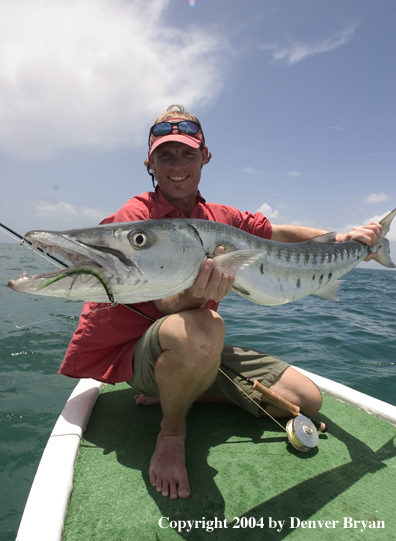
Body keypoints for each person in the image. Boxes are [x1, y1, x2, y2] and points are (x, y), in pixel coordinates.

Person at [59, 105, 382, 501]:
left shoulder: (219, 218)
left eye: (187, 153)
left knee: (306, 400)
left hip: (193, 349)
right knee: (203, 324)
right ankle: (172, 432)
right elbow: (165, 306)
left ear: (204, 157)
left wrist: (349, 242)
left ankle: (178, 387)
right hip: (146, 352)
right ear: (150, 163)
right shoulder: (137, 218)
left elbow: (278, 231)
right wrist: (195, 294)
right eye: (165, 155)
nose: (177, 165)